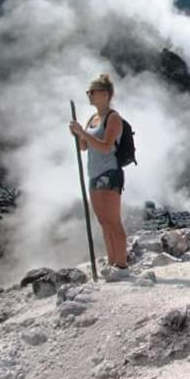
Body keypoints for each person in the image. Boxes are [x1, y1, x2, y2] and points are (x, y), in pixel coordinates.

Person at [68, 74, 128, 271]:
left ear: (105, 94)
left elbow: (106, 146)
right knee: (104, 222)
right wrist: (77, 135)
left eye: (93, 92)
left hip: (109, 173)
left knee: (113, 221)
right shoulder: (92, 119)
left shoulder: (113, 118)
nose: (89, 95)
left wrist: (82, 132)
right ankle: (112, 262)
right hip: (94, 173)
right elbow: (84, 147)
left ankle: (121, 264)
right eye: (88, 92)